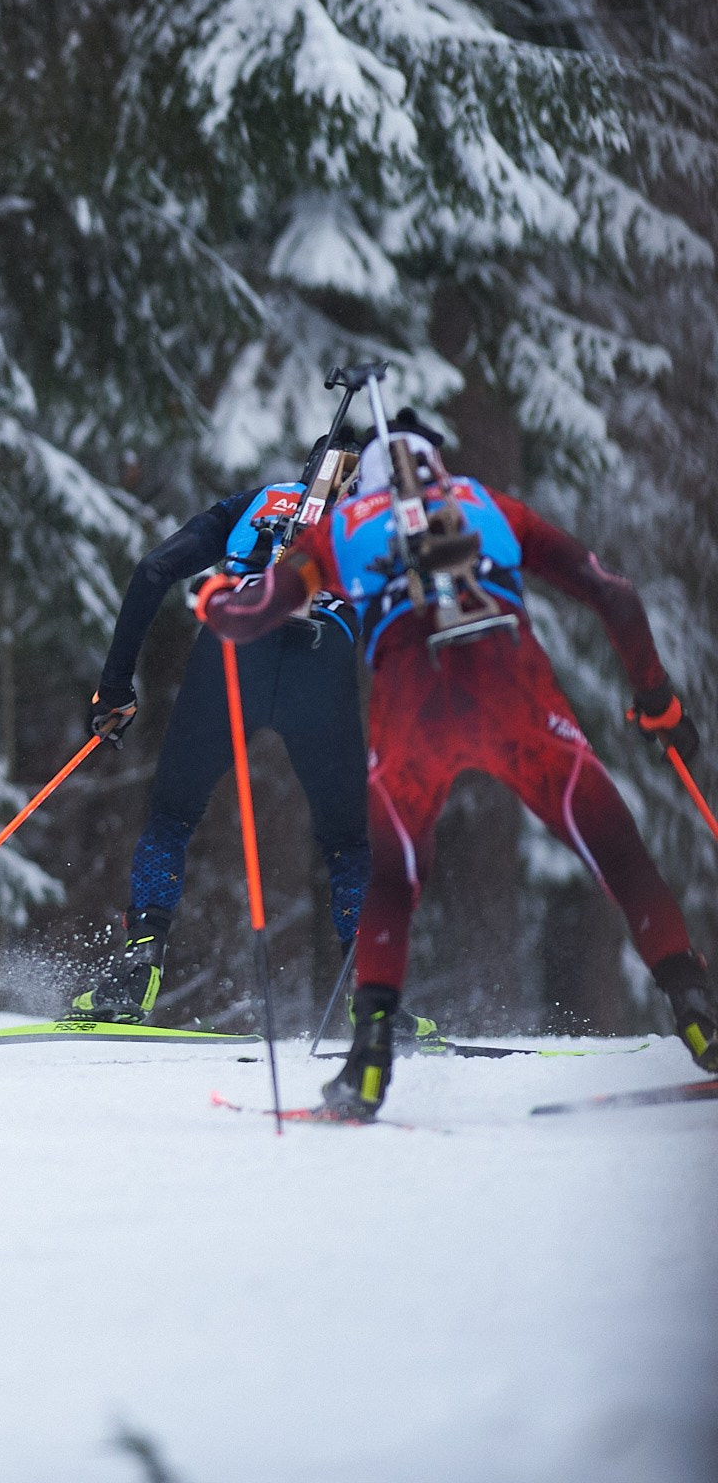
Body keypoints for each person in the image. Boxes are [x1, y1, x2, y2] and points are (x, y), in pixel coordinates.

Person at [205, 406, 717, 1119]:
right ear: (437, 463)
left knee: (392, 880)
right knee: (616, 850)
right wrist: (655, 699)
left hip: (415, 706)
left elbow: (254, 611)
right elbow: (615, 594)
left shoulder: (342, 527)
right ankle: (698, 1017)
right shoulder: (487, 505)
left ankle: (369, 1066)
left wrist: (218, 602)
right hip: (514, 691)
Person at [72, 432, 376, 1030]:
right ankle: (371, 996)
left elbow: (154, 569)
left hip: (233, 650)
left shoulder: (257, 502)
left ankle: (138, 971)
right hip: (321, 658)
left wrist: (114, 688)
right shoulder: (379, 525)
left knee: (172, 816)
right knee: (347, 842)